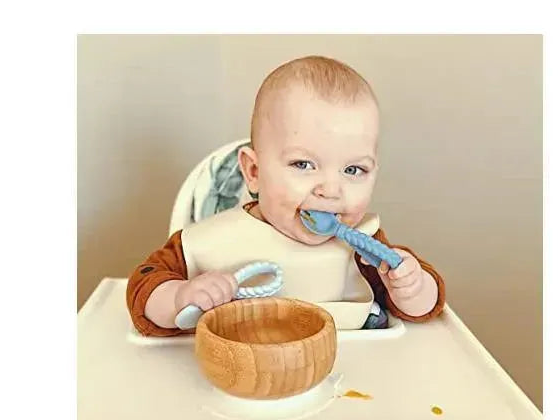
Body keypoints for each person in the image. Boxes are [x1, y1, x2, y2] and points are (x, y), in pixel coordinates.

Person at [127, 56, 445, 336]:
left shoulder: (365, 248)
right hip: (242, 372)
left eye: (353, 170)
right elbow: (143, 289)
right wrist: (179, 297)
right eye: (303, 164)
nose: (330, 190)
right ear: (254, 172)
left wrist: (412, 288)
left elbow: (423, 309)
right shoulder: (210, 243)